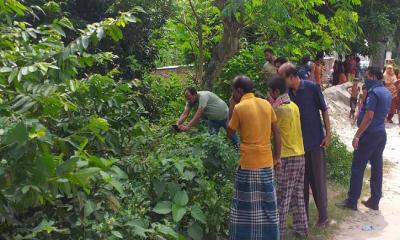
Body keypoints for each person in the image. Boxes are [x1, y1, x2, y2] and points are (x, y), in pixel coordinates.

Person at [227, 75, 281, 240]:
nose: (232, 95)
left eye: (233, 92)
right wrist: (277, 157)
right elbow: (277, 132)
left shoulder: (239, 108)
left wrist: (231, 106)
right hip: (266, 163)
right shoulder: (266, 104)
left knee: (243, 208)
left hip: (248, 164)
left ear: (239, 91)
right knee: (267, 207)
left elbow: (230, 133)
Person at [278, 63, 331, 227]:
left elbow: (324, 110)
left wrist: (328, 134)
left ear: (292, 77)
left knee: (317, 181)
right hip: (296, 148)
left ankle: (323, 217)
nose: (280, 81)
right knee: (301, 186)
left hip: (315, 142)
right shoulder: (286, 94)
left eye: (282, 78)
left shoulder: (312, 88)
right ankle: (303, 219)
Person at [336, 67, 392, 211]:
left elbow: (369, 116)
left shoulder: (374, 93)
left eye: (366, 76)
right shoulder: (386, 91)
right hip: (381, 134)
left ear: (373, 77)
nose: (365, 79)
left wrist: (357, 135)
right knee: (377, 167)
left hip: (369, 135)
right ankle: (375, 200)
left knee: (358, 167)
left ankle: (352, 201)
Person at [268, 76, 308, 239]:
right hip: (300, 155)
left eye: (270, 92)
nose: (269, 95)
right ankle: (302, 229)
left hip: (286, 157)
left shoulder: (278, 110)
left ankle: (278, 233)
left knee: (282, 197)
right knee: (297, 195)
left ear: (276, 92)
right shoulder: (294, 106)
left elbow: (271, 133)